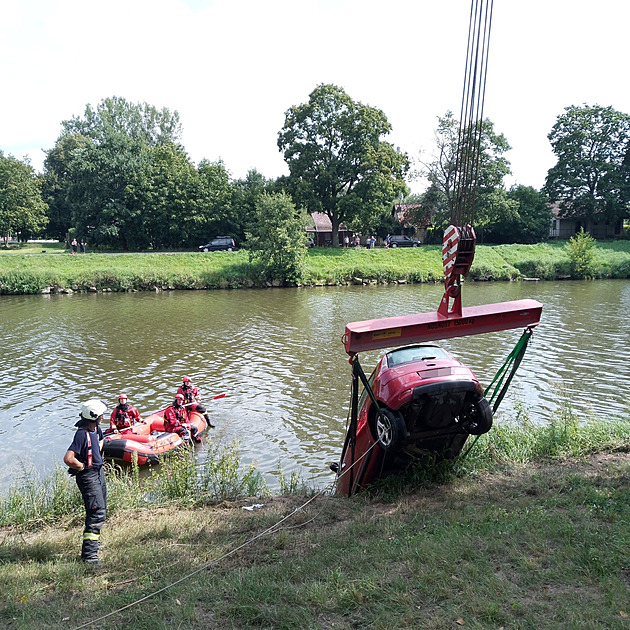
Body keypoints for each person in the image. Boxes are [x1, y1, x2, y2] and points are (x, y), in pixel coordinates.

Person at [63, 399, 108, 565]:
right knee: (96, 513)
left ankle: (93, 544)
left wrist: (96, 453)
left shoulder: (96, 429)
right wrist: (82, 466)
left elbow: (100, 441)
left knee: (101, 507)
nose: (103, 417)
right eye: (101, 415)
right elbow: (68, 458)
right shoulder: (82, 434)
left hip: (98, 472)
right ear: (93, 416)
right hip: (88, 476)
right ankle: (89, 556)